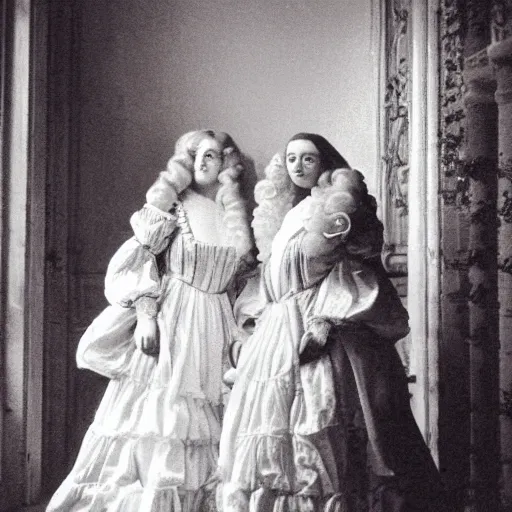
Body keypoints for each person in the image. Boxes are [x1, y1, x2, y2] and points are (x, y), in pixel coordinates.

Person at [218, 133, 445, 512]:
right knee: (269, 425)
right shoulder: (291, 213)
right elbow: (274, 277)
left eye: (308, 159)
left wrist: (324, 320)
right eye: (291, 159)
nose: (298, 167)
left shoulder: (334, 212)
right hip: (278, 329)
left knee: (319, 419)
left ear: (324, 163)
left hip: (320, 328)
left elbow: (349, 274)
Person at [47, 130, 255, 512]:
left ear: (227, 164)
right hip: (174, 319)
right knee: (161, 420)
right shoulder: (172, 209)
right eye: (196, 156)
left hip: (217, 325)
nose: (203, 164)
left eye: (212, 156)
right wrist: (146, 315)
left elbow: (242, 287)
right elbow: (137, 262)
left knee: (214, 418)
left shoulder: (233, 217)